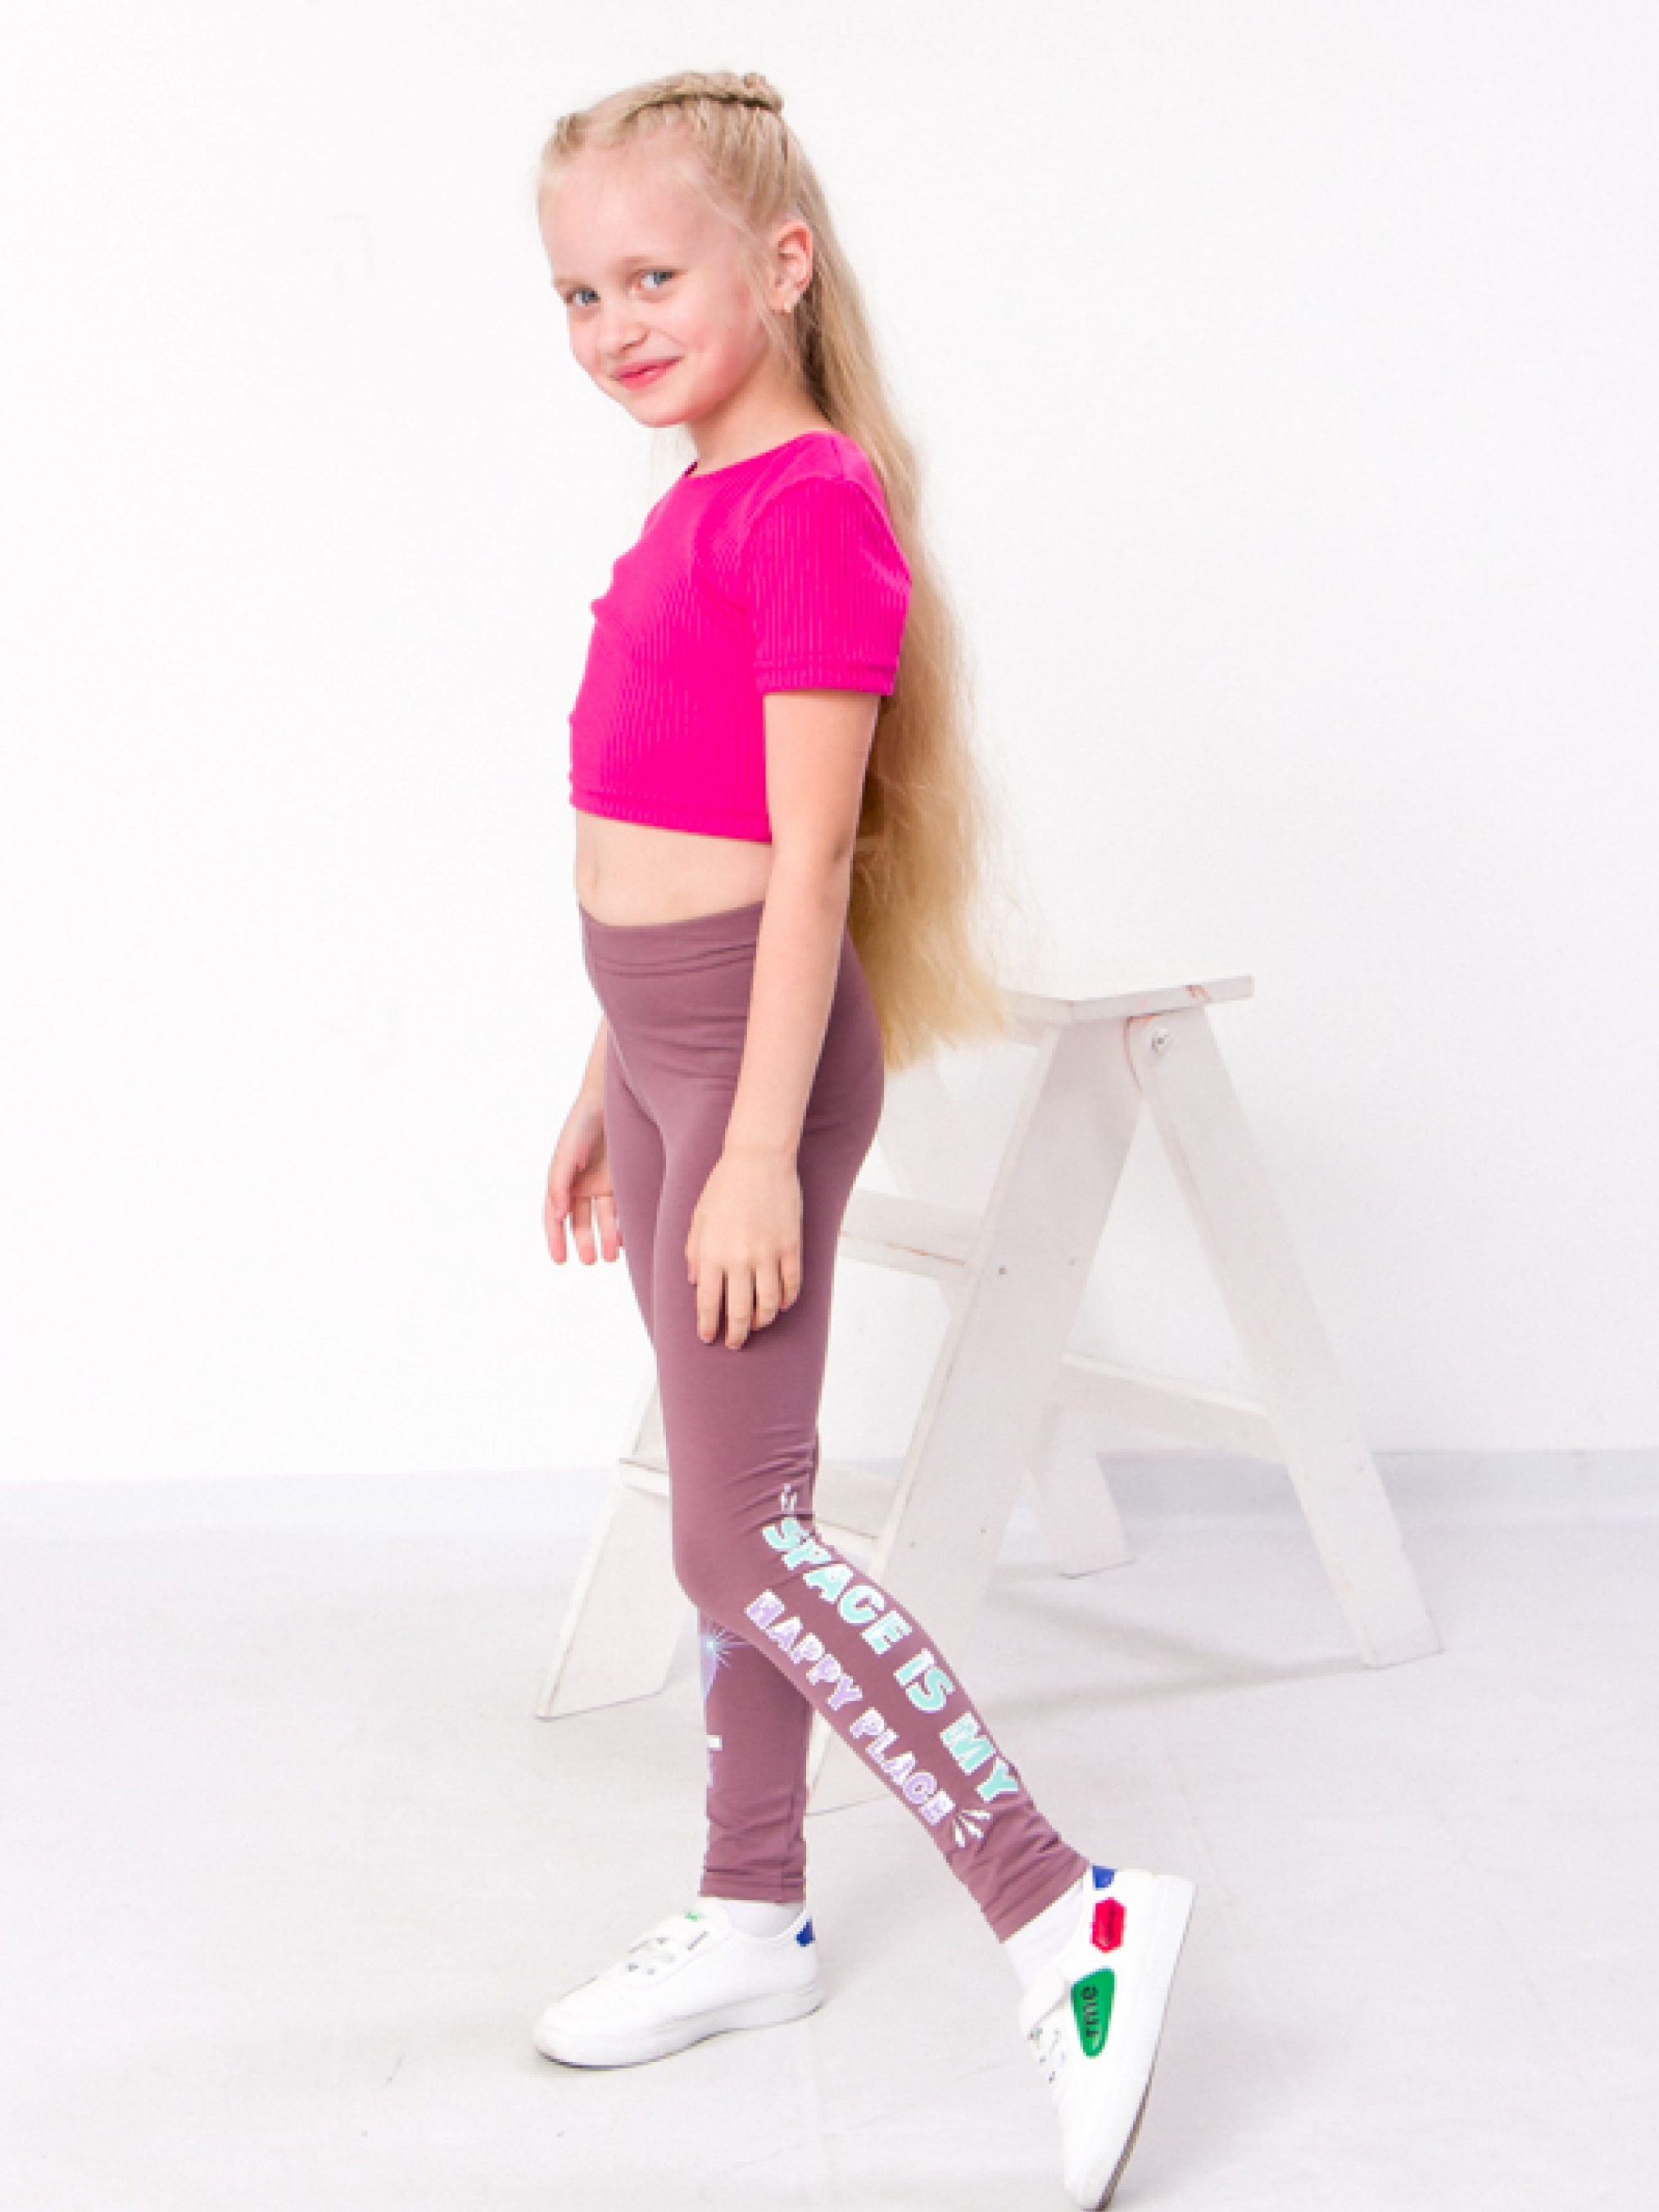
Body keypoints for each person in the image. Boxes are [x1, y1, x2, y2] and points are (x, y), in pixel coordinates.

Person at [529, 68, 1194, 2210]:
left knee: (737, 1540)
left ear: (783, 263)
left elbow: (806, 865)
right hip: (665, 1049)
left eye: (654, 275)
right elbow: (660, 815)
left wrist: (743, 1147)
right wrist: (608, 1078)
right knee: (747, 1511)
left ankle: (1060, 1903)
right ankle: (752, 1907)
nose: (615, 325)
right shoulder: (686, 504)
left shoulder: (807, 503)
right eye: (577, 294)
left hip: (753, 1058)